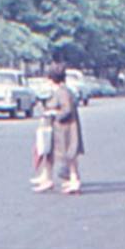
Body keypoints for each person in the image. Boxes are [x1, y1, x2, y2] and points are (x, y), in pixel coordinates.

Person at [39, 62, 84, 195]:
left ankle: (74, 181)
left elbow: (67, 110)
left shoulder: (62, 92)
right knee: (70, 156)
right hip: (66, 129)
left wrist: (53, 113)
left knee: (70, 155)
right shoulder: (63, 91)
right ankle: (73, 181)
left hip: (67, 130)